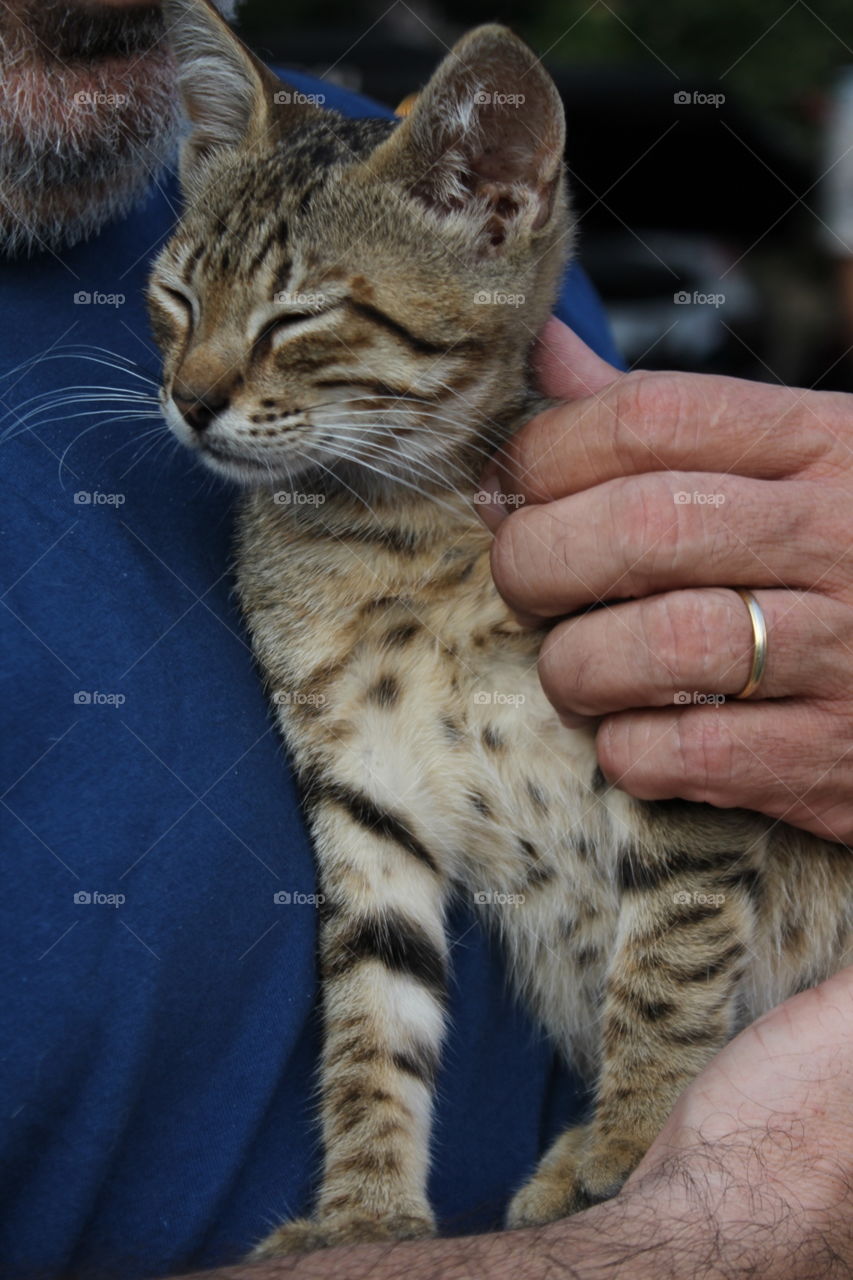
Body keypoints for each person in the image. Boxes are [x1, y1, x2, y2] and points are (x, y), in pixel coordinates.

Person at [0, 3, 850, 1279]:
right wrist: (709, 1221)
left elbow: (693, 765)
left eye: (292, 328)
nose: (200, 388)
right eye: (181, 309)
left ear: (502, 222)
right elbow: (375, 890)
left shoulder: (378, 186)